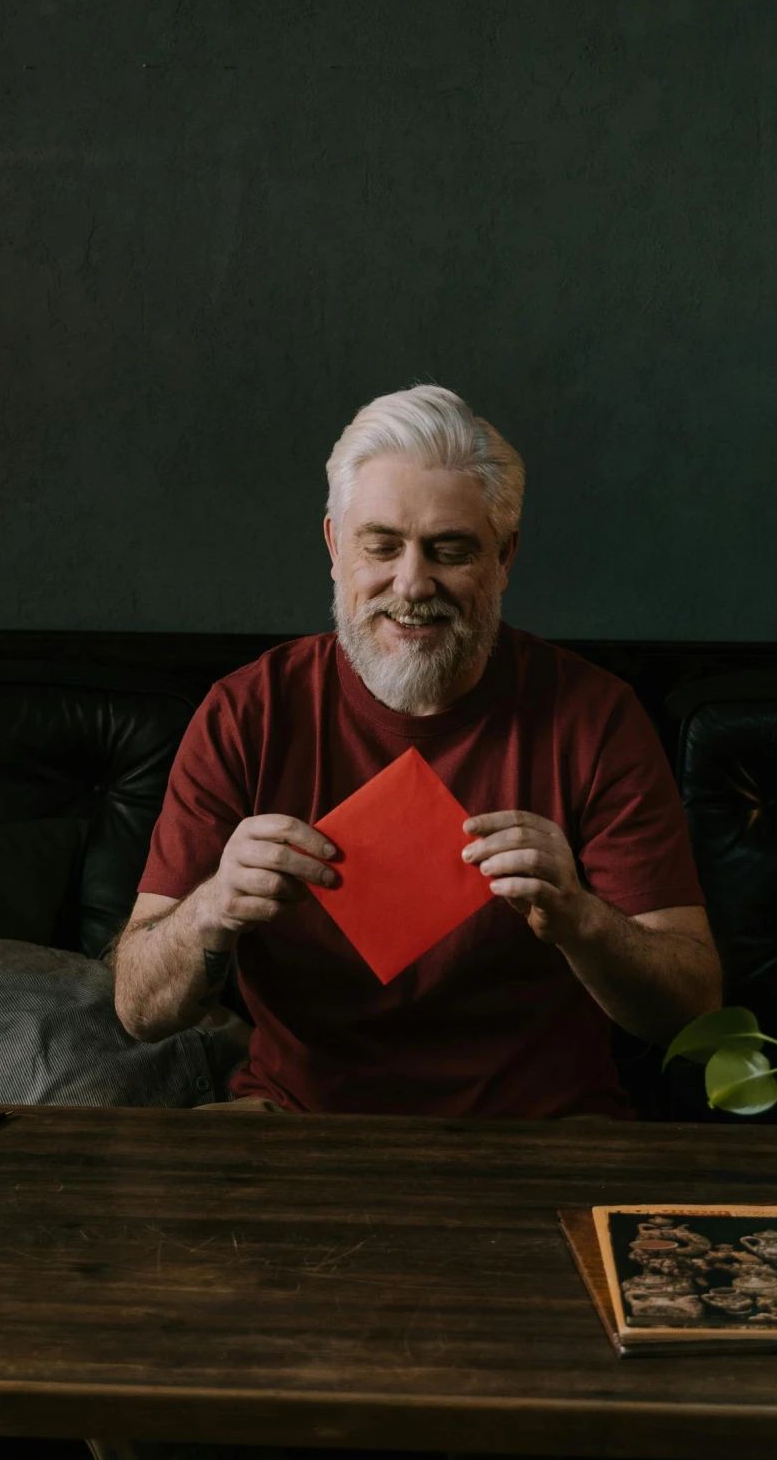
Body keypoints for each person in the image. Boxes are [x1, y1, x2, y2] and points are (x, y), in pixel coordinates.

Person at [111, 385, 721, 1116]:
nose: (410, 584)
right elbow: (139, 1010)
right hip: (297, 1123)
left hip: (544, 1129)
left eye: (449, 550)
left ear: (504, 556)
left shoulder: (596, 717)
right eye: (381, 544)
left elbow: (695, 1010)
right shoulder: (247, 712)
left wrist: (579, 917)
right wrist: (212, 907)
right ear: (336, 546)